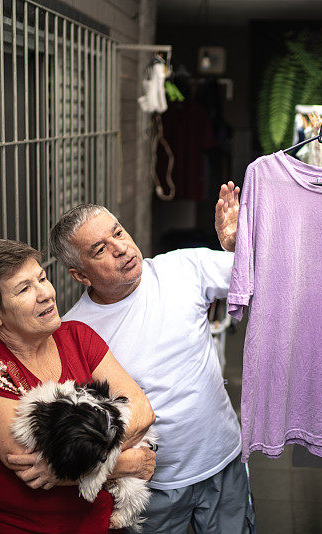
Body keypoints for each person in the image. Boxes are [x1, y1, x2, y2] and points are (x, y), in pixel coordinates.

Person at [48, 182, 254, 533]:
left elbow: (263, 277)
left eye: (118, 232)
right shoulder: (74, 332)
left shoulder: (182, 267)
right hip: (147, 487)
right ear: (80, 275)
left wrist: (238, 248)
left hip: (222, 462)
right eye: (100, 249)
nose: (121, 248)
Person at [0, 236, 156, 533]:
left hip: (104, 525)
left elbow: (142, 411)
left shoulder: (78, 336)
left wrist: (80, 464)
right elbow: (34, 465)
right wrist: (129, 462)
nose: (45, 293)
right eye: (24, 289)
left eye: (42, 278)